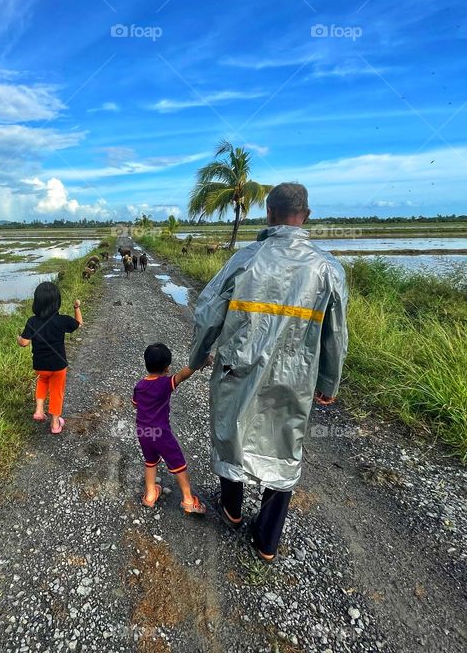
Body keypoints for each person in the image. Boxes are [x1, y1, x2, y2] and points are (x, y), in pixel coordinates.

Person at [189, 182, 348, 561]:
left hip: (238, 368)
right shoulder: (328, 268)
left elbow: (208, 312)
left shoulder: (245, 258)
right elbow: (335, 334)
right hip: (296, 376)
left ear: (270, 214)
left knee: (231, 431)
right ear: (306, 217)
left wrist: (197, 358)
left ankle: (231, 509)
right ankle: (267, 540)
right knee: (285, 443)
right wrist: (328, 381)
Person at [132, 343, 209, 515]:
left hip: (143, 432)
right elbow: (183, 375)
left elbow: (135, 404)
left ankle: (150, 495)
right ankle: (188, 500)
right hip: (161, 433)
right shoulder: (165, 383)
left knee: (150, 461)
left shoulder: (139, 385)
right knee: (178, 464)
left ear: (146, 363)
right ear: (167, 368)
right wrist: (198, 363)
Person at [18, 281, 82, 434]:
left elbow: (24, 343)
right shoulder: (62, 320)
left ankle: (39, 411)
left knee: (42, 382)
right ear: (57, 302)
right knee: (56, 392)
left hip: (40, 365)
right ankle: (55, 423)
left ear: (36, 302)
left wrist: (18, 338)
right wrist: (76, 307)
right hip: (58, 365)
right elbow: (79, 323)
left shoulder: (32, 321)